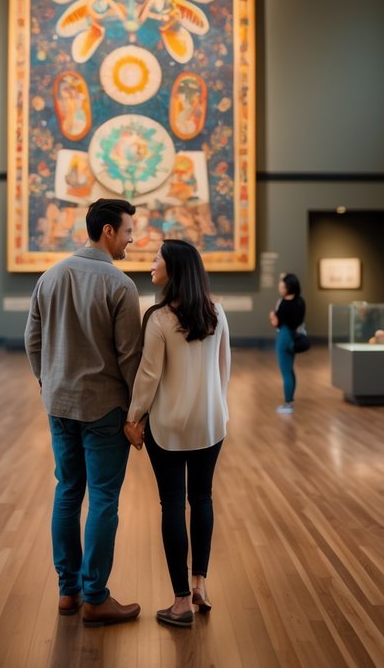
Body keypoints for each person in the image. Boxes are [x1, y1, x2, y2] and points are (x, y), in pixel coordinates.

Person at [25, 198, 143, 628]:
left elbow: (32, 340)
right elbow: (129, 357)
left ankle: (68, 591)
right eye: (128, 231)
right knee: (104, 499)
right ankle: (95, 597)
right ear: (108, 231)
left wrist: (48, 382)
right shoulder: (120, 285)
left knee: (68, 491)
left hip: (60, 404)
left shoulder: (51, 276)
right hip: (104, 408)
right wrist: (136, 412)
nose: (131, 239)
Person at [124, 240, 231, 629]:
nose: (151, 263)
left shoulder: (158, 318)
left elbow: (148, 376)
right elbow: (224, 368)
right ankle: (200, 583)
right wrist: (217, 407)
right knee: (202, 498)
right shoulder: (216, 312)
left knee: (172, 505)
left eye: (157, 258)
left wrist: (133, 418)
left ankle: (181, 602)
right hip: (211, 423)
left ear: (175, 268)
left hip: (168, 426)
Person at [269, 273, 305, 414]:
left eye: (283, 286)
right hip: (294, 336)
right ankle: (290, 400)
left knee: (286, 372)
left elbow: (276, 323)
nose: (281, 288)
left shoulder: (284, 303)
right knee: (290, 370)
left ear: (289, 287)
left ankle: (288, 403)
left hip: (284, 337)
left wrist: (272, 316)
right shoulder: (301, 302)